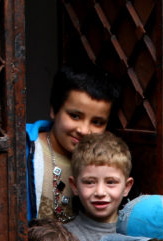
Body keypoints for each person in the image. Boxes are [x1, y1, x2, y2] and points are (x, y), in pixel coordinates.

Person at [26, 63, 120, 223]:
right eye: (75, 116)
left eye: (97, 122)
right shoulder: (24, 151)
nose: (84, 130)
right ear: (54, 110)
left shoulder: (111, 163)